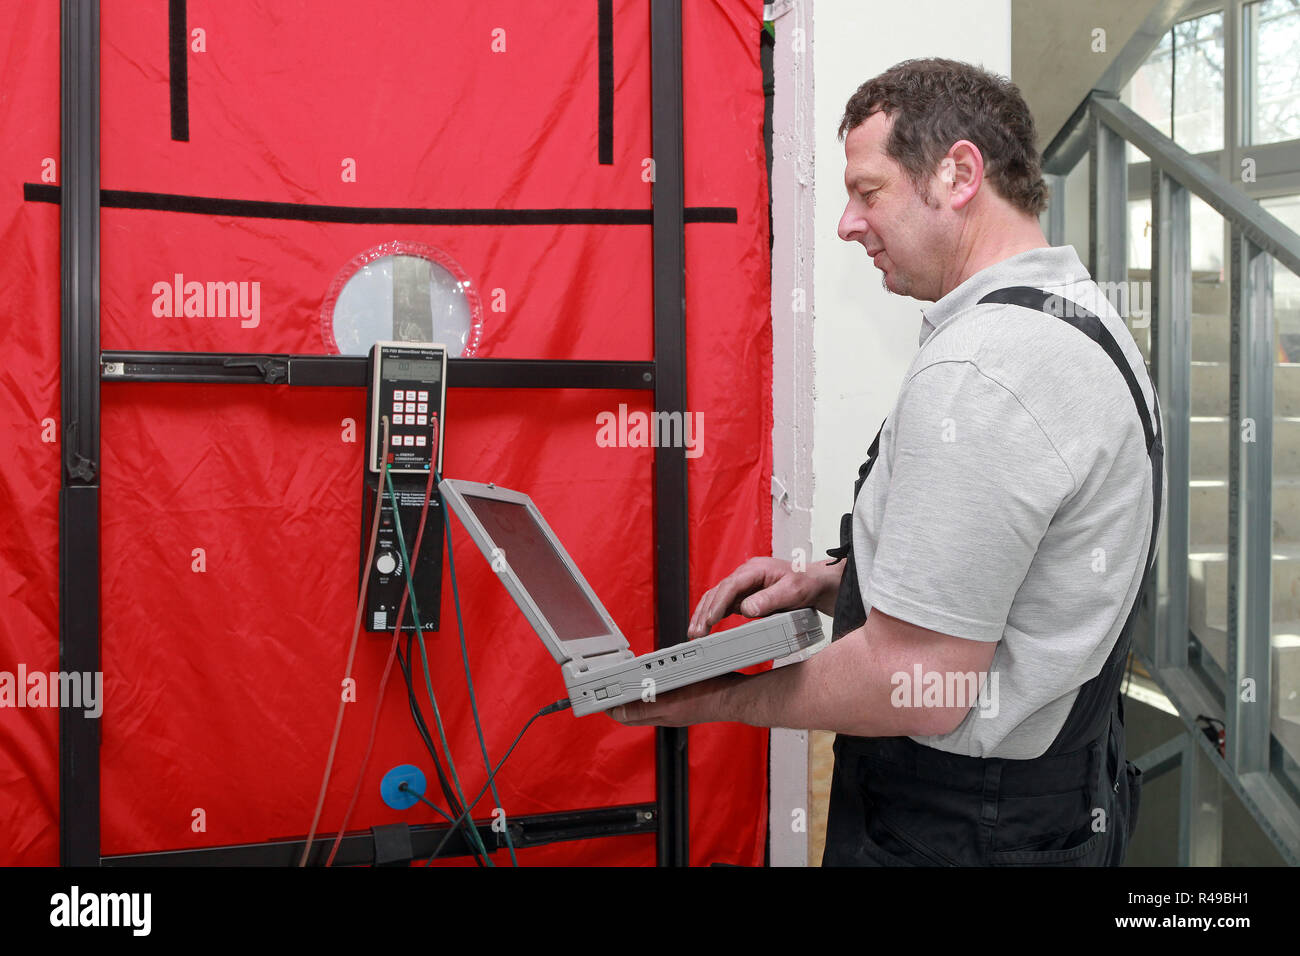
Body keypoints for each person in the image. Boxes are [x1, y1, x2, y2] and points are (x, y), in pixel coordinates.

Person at [610, 57, 1165, 867]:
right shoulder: (1081, 318)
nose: (846, 223)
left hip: (961, 825)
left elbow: (915, 684)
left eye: (869, 192)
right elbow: (1020, 578)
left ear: (959, 174)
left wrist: (718, 698)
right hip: (1056, 802)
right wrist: (833, 582)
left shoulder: (985, 370)